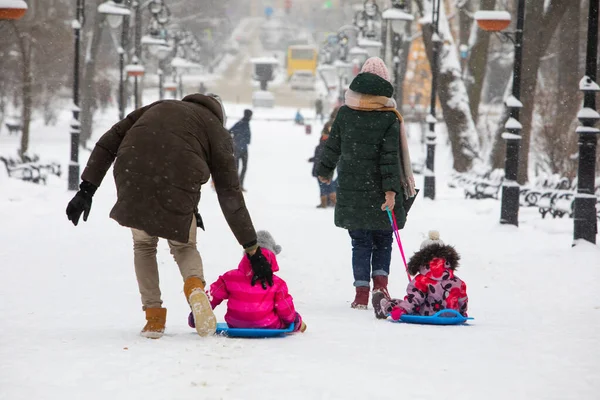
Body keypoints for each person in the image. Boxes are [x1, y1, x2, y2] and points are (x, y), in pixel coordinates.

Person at [65, 93, 274, 339]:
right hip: (179, 180)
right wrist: (252, 249)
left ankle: (154, 317)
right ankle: (195, 289)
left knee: (143, 246)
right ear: (220, 115)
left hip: (133, 173)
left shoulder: (159, 106)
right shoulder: (216, 130)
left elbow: (108, 142)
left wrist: (86, 189)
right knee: (184, 247)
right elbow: (230, 195)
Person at [316, 57, 417, 310]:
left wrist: (325, 170)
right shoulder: (389, 118)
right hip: (381, 191)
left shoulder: (345, 113)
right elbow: (390, 159)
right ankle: (380, 287)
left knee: (359, 242)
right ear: (385, 83)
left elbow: (333, 145)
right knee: (383, 240)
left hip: (351, 189)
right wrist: (392, 191)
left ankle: (361, 293)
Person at [188, 231, 307, 332]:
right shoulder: (277, 283)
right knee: (288, 318)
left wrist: (199, 316)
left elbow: (213, 295)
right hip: (267, 324)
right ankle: (298, 324)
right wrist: (294, 320)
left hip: (236, 324)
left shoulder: (230, 277)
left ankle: (199, 314)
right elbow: (285, 308)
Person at [372, 231, 469, 320]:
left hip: (427, 314)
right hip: (452, 315)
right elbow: (462, 300)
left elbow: (414, 300)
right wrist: (462, 314)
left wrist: (401, 311)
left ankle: (385, 308)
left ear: (422, 258)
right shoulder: (457, 281)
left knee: (398, 303)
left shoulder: (421, 281)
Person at [308, 121, 337, 208]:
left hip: (322, 167)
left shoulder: (326, 144)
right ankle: (328, 202)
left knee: (326, 186)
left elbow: (321, 156)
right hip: (322, 167)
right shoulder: (324, 144)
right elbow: (318, 156)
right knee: (326, 186)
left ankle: (329, 201)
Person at [229, 109, 253, 192]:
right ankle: (237, 185)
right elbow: (229, 131)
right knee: (240, 167)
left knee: (240, 167)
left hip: (241, 148)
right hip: (240, 149)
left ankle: (239, 185)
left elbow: (230, 131)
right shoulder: (242, 123)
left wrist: (234, 139)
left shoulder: (242, 123)